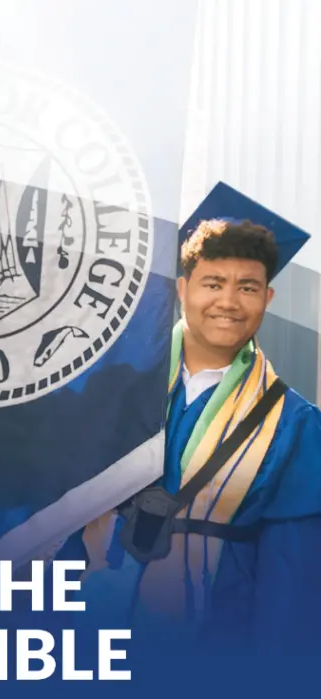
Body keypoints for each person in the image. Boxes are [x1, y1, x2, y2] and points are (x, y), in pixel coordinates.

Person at [72, 183, 321, 648]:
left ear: (267, 298)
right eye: (213, 283)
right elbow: (59, 519)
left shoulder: (295, 424)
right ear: (183, 288)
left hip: (210, 646)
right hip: (89, 634)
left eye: (247, 288)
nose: (228, 302)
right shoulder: (114, 390)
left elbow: (291, 579)